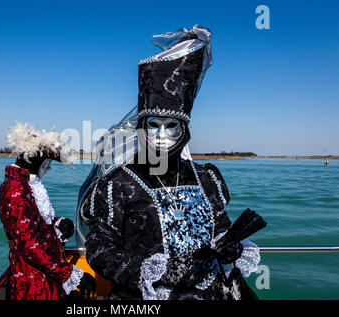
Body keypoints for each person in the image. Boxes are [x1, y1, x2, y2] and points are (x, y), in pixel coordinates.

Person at [77, 25, 264, 300]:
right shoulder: (118, 184)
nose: (162, 135)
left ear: (184, 129)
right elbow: (100, 250)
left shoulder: (206, 178)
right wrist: (154, 271)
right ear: (141, 127)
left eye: (171, 125)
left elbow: (221, 227)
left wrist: (229, 246)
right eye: (154, 125)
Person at [0, 122, 95, 300]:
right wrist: (70, 274)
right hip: (33, 278)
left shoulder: (24, 184)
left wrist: (57, 223)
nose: (48, 169)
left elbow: (31, 222)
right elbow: (29, 245)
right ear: (39, 162)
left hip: (46, 272)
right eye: (48, 163)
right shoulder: (16, 190)